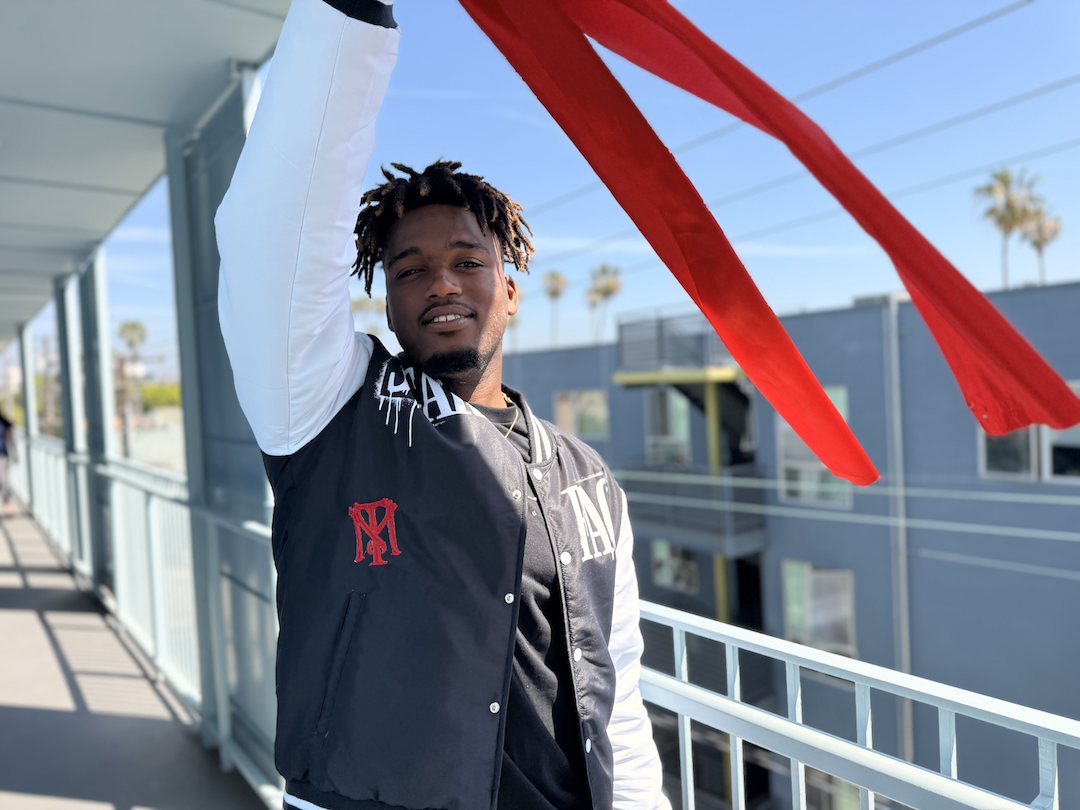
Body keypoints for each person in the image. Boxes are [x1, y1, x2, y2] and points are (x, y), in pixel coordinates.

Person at [216, 1, 669, 808]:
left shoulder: (589, 478)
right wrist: (352, 16)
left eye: (468, 261)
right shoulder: (329, 410)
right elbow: (274, 240)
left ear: (510, 291)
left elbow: (618, 693)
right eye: (411, 271)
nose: (443, 284)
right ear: (387, 307)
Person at [0, 408, 13, 517]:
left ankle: (7, 503)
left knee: (4, 481)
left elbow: (10, 438)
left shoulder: (4, 422)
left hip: (2, 455)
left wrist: (15, 454)